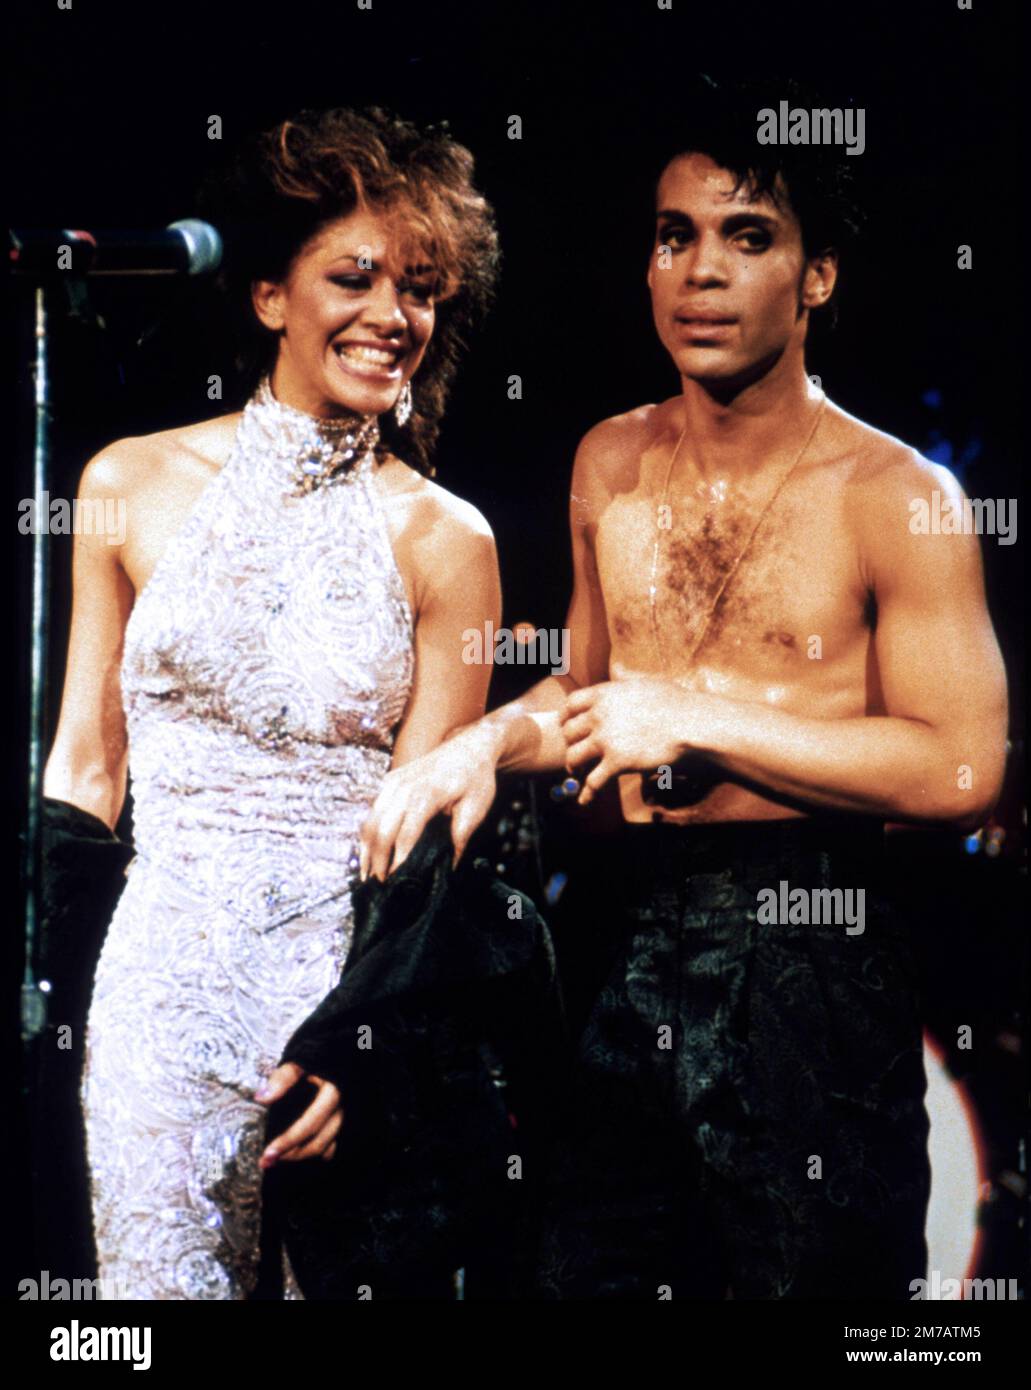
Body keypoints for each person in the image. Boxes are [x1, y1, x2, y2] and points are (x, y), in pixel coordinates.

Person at [358, 84, 1008, 1297]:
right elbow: (591, 692)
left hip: (810, 948)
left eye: (745, 237)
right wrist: (479, 747)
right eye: (674, 236)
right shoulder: (608, 459)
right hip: (618, 939)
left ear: (816, 278)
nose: (700, 271)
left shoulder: (896, 495)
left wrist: (693, 717)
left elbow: (958, 767)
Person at [43, 106, 501, 1299]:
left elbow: (432, 830)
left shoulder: (448, 540)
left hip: (333, 1014)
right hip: (156, 995)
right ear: (266, 296)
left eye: (420, 289)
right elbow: (84, 768)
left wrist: (366, 1042)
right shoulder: (127, 481)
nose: (391, 314)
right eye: (353, 277)